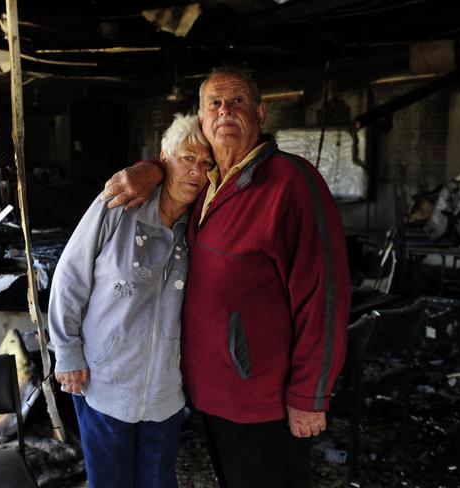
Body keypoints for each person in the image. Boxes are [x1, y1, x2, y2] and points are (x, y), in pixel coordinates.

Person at [102, 67, 351, 488]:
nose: (225, 111)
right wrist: (150, 168)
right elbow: (176, 162)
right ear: (201, 120)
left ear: (260, 113)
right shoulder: (206, 183)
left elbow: (324, 296)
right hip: (208, 391)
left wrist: (310, 394)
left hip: (262, 398)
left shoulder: (292, 181)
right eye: (214, 103)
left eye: (237, 101)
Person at [48, 114, 213, 488]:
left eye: (206, 164)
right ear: (164, 157)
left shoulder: (201, 226)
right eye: (187, 158)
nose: (197, 173)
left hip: (165, 393)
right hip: (105, 382)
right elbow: (70, 276)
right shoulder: (120, 205)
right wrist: (67, 351)